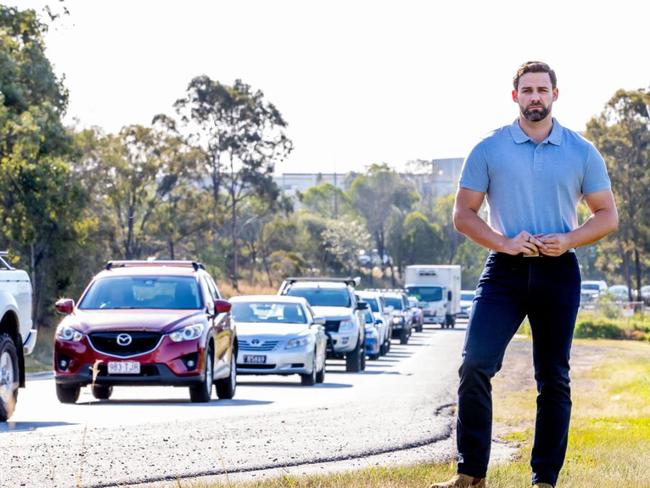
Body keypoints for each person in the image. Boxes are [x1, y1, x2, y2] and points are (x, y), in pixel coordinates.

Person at [431, 61, 618, 488]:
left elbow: (607, 216)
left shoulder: (581, 151)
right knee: (475, 363)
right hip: (505, 271)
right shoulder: (489, 149)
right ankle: (471, 473)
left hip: (559, 271)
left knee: (553, 376)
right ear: (514, 96)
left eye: (542, 90)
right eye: (527, 90)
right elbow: (463, 214)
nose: (535, 96)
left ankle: (544, 479)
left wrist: (569, 239)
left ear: (555, 94)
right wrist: (503, 242)